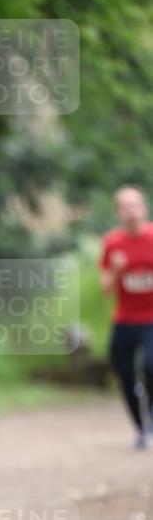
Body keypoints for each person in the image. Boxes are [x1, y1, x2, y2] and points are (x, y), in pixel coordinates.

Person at [99, 185, 153, 449]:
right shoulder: (112, 243)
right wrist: (117, 270)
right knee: (125, 374)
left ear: (144, 208)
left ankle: (151, 420)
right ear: (119, 212)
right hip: (125, 319)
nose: (131, 210)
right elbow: (105, 289)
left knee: (151, 367)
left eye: (135, 204)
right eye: (125, 206)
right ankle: (141, 428)